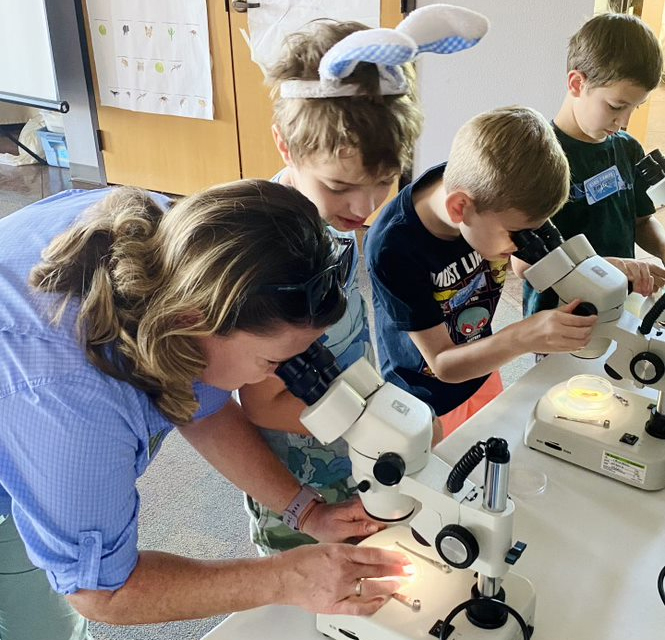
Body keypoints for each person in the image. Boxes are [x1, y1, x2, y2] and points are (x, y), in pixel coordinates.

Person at [0, 182, 412, 640]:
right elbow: (102, 594)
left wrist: (307, 512)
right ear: (191, 320)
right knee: (32, 618)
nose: (275, 377)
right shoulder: (73, 408)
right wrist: (287, 578)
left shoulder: (186, 250)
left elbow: (203, 407)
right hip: (30, 398)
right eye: (272, 362)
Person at [237, 4, 490, 556]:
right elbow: (259, 404)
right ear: (285, 144)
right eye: (339, 186)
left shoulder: (334, 222)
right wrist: (369, 427)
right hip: (300, 473)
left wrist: (384, 416)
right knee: (309, 581)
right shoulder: (270, 255)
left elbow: (351, 336)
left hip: (356, 442)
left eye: (382, 182)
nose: (365, 206)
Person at [364, 106, 604, 438]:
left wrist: (612, 270)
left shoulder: (486, 192)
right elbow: (443, 364)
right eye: (516, 234)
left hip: (483, 362)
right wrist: (524, 335)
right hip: (427, 397)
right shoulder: (394, 247)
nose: (520, 244)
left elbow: (525, 266)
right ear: (459, 208)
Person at [518, 12, 665, 318]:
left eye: (634, 108)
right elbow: (524, 265)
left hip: (617, 302)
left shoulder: (627, 148)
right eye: (615, 106)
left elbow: (641, 221)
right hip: (560, 314)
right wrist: (618, 266)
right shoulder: (537, 159)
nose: (624, 122)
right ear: (576, 83)